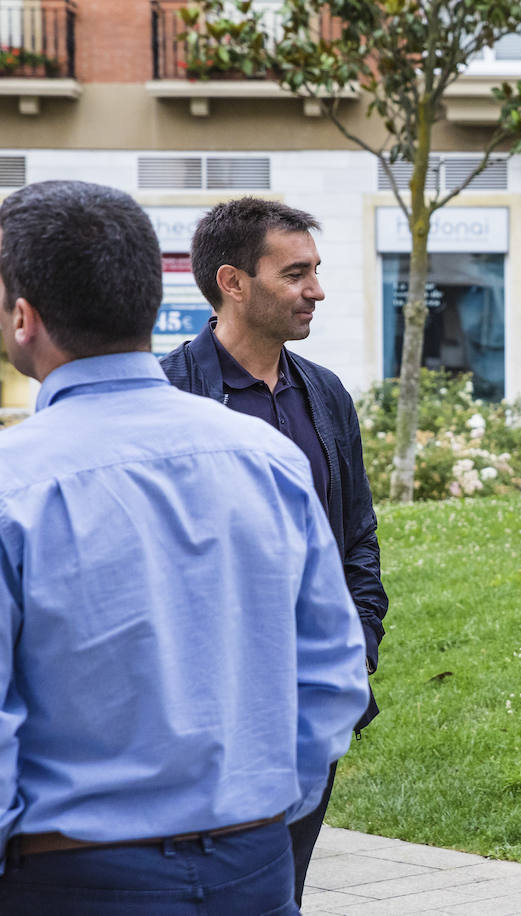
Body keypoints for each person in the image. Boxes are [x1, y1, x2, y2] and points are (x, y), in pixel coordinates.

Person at [0, 179, 369, 914]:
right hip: (253, 863)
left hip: (71, 878)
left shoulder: (15, 485)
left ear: (23, 318)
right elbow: (332, 670)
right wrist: (267, 811)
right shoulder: (266, 460)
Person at [160, 197, 388, 902]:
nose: (316, 290)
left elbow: (357, 540)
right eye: (295, 274)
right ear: (233, 282)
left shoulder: (324, 394)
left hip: (310, 704)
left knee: (283, 890)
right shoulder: (169, 395)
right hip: (209, 712)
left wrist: (356, 652)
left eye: (315, 271)